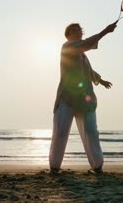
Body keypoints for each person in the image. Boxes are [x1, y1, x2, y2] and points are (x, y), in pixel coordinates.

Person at [49, 21, 117, 174]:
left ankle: (97, 166)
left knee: (91, 131)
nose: (77, 31)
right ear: (68, 35)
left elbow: (89, 71)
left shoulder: (83, 56)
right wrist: (105, 31)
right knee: (60, 131)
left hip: (85, 99)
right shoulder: (66, 47)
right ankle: (54, 167)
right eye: (73, 30)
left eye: (79, 29)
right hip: (67, 97)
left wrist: (100, 80)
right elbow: (86, 44)